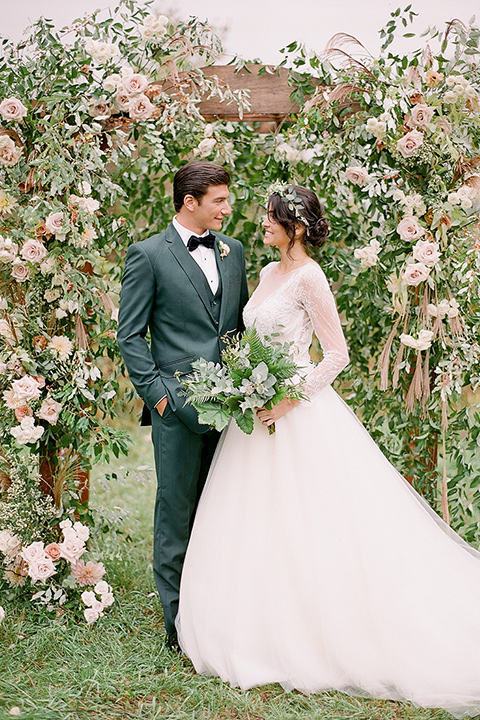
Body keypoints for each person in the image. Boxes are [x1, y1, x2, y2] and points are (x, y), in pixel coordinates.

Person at [176, 183, 480, 717]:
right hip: (255, 414)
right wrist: (245, 388)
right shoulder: (269, 274)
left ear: (294, 227)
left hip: (297, 414)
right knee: (255, 524)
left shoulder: (310, 277)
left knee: (311, 524)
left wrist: (289, 400)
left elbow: (336, 355)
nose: (261, 224)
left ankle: (320, 631)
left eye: (270, 218)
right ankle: (252, 627)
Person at [117, 161, 249, 651]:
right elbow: (129, 334)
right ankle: (179, 626)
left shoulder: (233, 253)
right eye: (219, 200)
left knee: (222, 509)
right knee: (176, 511)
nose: (227, 208)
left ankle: (217, 609)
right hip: (177, 408)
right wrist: (159, 396)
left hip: (234, 407)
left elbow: (236, 326)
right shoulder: (148, 255)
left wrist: (249, 385)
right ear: (189, 202)